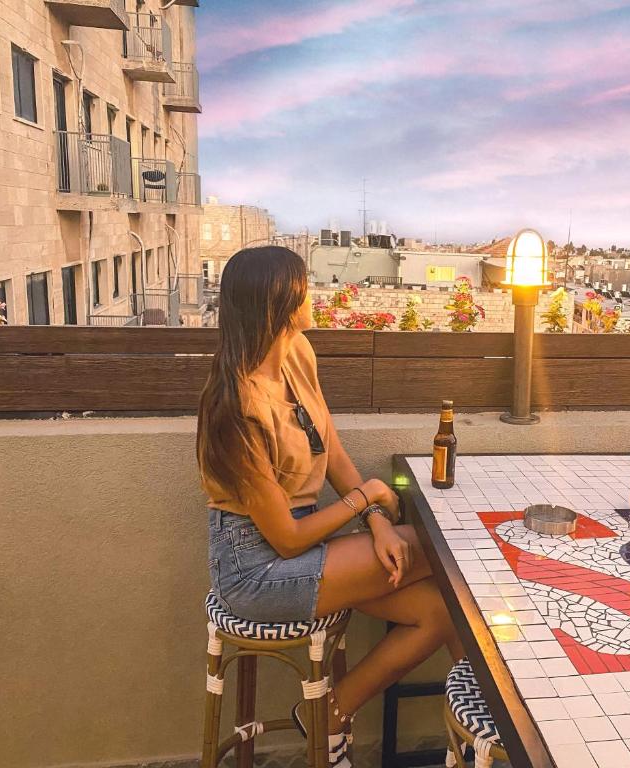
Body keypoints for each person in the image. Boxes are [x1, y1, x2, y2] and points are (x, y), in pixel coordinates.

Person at [197, 246, 462, 767]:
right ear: (277, 302)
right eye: (302, 285)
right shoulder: (235, 407)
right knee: (450, 560)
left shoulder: (295, 353)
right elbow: (286, 540)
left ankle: (330, 715)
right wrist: (369, 496)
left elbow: (331, 450)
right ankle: (495, 712)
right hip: (255, 566)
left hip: (308, 537)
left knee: (438, 609)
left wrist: (378, 521)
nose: (311, 293)